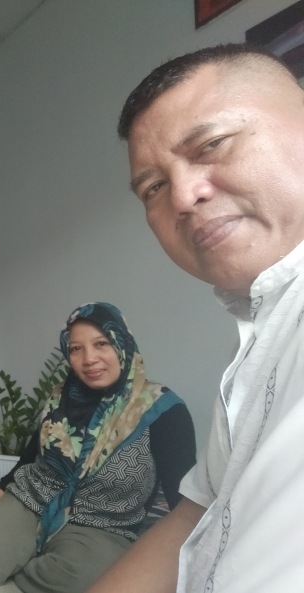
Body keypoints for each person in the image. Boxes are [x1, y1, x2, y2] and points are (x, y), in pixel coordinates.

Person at [87, 43, 304, 593]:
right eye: (154, 187)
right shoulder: (255, 349)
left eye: (212, 144)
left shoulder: (158, 409)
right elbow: (198, 512)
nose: (183, 197)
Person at [0, 302, 196, 593]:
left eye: (101, 344)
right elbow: (30, 458)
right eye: (76, 349)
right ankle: (22, 548)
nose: (89, 359)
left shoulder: (163, 410)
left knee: (87, 583)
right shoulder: (61, 397)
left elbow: (183, 498)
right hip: (31, 501)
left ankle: (25, 560)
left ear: (122, 343)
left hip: (102, 524)